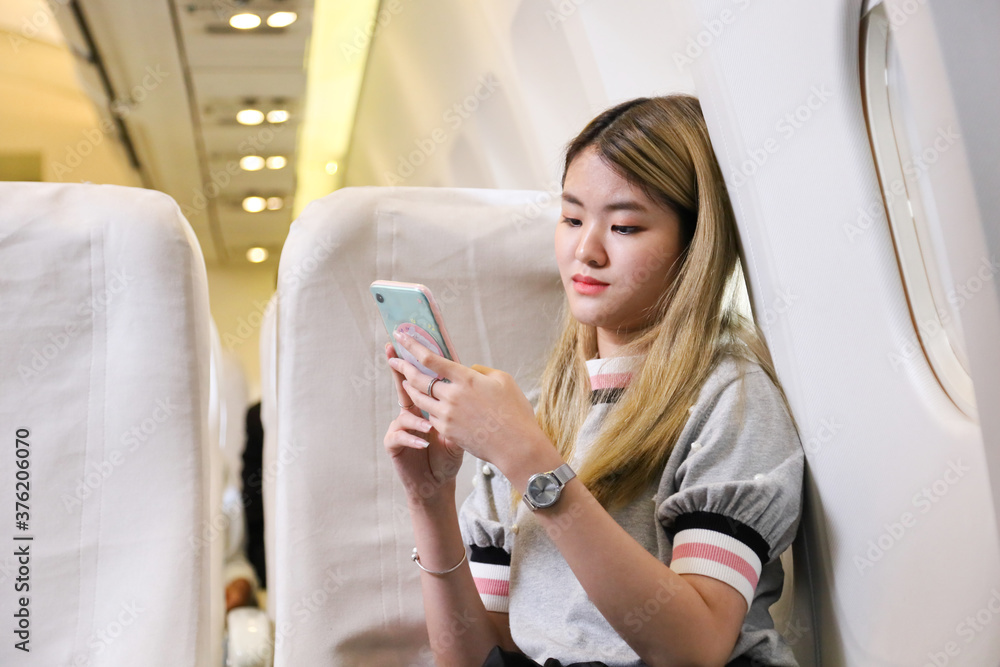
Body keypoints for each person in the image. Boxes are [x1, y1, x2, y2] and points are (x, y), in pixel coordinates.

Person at [382, 95, 805, 667]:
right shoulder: (532, 411)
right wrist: (428, 500)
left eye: (625, 226)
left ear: (694, 245)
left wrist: (528, 460)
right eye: (573, 218)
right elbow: (476, 656)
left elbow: (696, 647)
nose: (586, 250)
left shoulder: (729, 399)